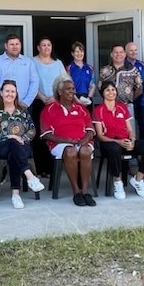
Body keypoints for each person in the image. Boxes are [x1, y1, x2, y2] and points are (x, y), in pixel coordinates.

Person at [40, 75, 97, 207]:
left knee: (86, 150)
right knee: (70, 152)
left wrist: (85, 139)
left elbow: (90, 129)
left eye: (73, 89)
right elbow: (46, 134)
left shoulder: (81, 108)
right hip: (59, 143)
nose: (72, 91)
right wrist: (65, 140)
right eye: (68, 89)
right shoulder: (49, 109)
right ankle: (76, 191)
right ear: (60, 92)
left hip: (82, 141)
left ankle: (85, 191)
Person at [92, 81, 144, 200]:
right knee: (114, 150)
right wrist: (118, 142)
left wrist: (132, 140)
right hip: (109, 142)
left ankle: (138, 179)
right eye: (107, 90)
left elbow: (130, 130)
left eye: (113, 90)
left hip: (125, 140)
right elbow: (100, 135)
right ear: (102, 93)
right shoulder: (98, 110)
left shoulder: (122, 107)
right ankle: (118, 182)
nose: (111, 92)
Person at [0, 79, 46, 209]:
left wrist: (23, 138)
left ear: (16, 94)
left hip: (22, 146)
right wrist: (10, 136)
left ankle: (16, 195)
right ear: (1, 93)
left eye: (12, 91)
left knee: (14, 151)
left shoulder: (23, 111)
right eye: (7, 91)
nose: (10, 94)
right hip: (2, 146)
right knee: (12, 143)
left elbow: (32, 129)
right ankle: (29, 177)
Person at [31, 37, 64, 177]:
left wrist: (55, 97)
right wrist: (42, 96)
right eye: (43, 45)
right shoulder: (32, 62)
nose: (46, 47)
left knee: (54, 134)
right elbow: (30, 81)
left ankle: (52, 169)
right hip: (39, 102)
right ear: (38, 47)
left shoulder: (58, 63)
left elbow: (65, 81)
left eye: (48, 45)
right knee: (39, 135)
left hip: (55, 103)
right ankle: (40, 169)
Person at [0, 33, 38, 108]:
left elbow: (34, 83)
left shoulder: (28, 62)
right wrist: (2, 101)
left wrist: (26, 102)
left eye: (17, 44)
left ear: (20, 45)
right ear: (6, 46)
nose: (15, 47)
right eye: (12, 44)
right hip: (1, 106)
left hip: (24, 105)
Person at [98, 45, 142, 116]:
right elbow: (100, 87)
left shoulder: (133, 70)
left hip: (127, 106)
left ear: (125, 54)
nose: (118, 54)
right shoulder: (105, 70)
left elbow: (139, 89)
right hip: (108, 106)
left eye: (121, 52)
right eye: (116, 52)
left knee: (128, 127)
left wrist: (129, 98)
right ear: (111, 55)